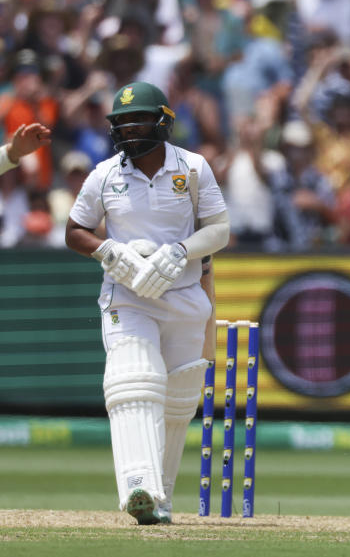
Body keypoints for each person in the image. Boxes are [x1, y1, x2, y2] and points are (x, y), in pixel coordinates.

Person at [64, 82, 230, 525]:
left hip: (184, 295)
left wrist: (180, 251)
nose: (129, 129)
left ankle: (159, 500)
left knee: (176, 402)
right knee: (135, 380)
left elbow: (219, 229)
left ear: (163, 121)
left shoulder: (193, 168)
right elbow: (74, 230)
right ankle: (139, 485)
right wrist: (107, 251)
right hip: (128, 296)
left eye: (137, 119)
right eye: (120, 122)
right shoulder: (104, 174)